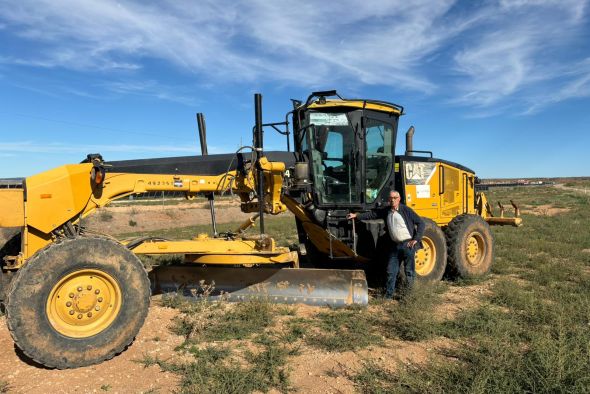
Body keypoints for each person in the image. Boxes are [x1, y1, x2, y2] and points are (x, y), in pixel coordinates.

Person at [347, 190, 424, 299]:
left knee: (409, 271)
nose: (392, 200)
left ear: (399, 199)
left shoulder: (406, 210)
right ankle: (388, 296)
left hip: (408, 245)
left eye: (394, 198)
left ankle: (409, 296)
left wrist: (416, 239)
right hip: (394, 246)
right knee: (391, 271)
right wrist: (357, 216)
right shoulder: (386, 211)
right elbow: (372, 214)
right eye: (390, 198)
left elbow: (421, 222)